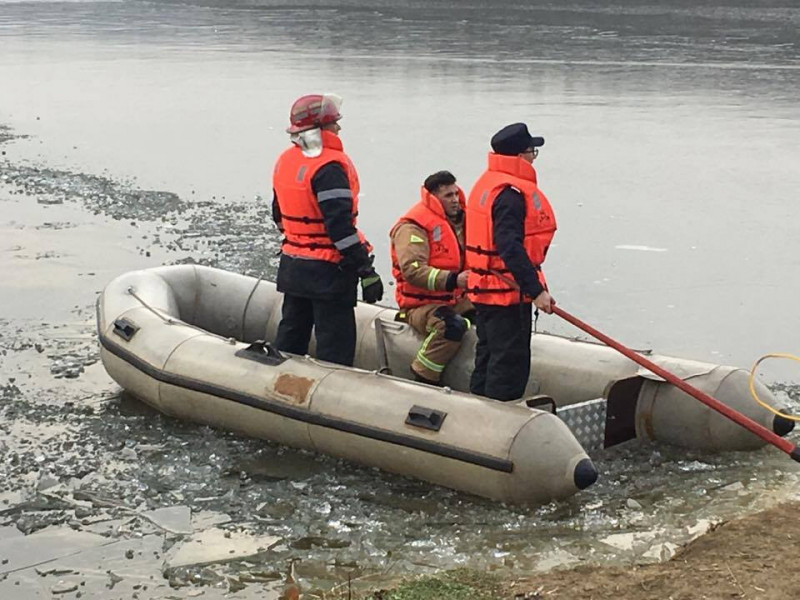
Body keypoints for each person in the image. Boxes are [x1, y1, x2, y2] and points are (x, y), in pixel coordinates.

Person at [271, 93, 383, 366]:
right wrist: (365, 271)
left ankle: (278, 390)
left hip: (293, 267)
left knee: (291, 335)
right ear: (321, 130)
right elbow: (340, 229)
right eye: (334, 124)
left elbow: (278, 215)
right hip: (328, 272)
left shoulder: (287, 161)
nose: (339, 129)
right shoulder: (330, 166)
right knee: (335, 345)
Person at [465, 123, 557, 401]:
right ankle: (497, 423)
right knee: (509, 365)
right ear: (520, 156)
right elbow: (509, 247)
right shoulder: (511, 194)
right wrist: (535, 290)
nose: (533, 158)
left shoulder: (489, 183)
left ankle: (478, 414)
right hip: (506, 295)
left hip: (485, 290)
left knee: (488, 356)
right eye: (532, 151)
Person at [390, 171, 473, 385]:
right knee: (450, 326)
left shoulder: (461, 224)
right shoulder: (413, 227)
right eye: (448, 196)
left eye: (456, 194)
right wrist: (454, 280)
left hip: (455, 300)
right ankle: (424, 375)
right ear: (434, 198)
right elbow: (413, 271)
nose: (455, 200)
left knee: (491, 317)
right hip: (420, 305)